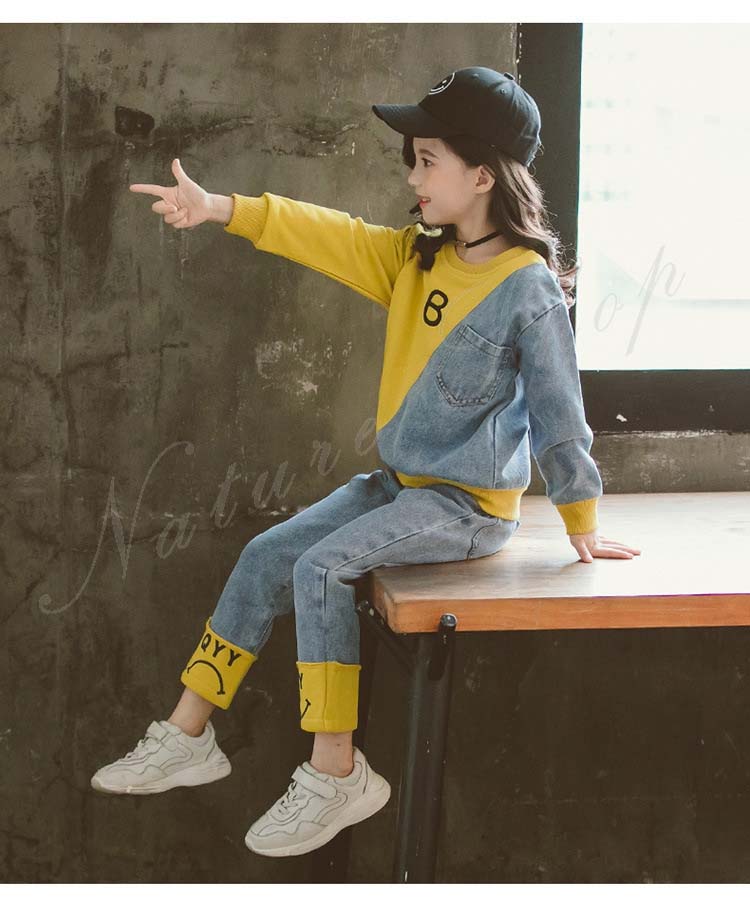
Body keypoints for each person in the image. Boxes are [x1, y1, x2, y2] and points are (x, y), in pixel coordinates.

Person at [90, 66, 641, 858]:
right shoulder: (417, 259)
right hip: (397, 487)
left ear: (482, 175)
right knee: (266, 554)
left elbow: (561, 413)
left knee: (321, 568)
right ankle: (188, 732)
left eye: (428, 160)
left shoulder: (528, 291)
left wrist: (581, 518)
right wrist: (219, 207)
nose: (413, 177)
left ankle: (337, 768)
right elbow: (327, 233)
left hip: (465, 509)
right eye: (412, 159)